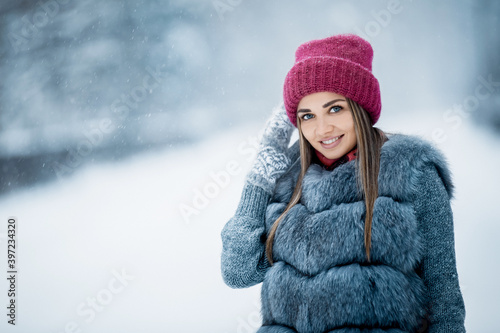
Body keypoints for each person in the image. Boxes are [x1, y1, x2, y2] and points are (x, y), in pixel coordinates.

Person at [220, 34, 466, 332]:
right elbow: (238, 272)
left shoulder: (411, 173)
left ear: (360, 107)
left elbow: (445, 304)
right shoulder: (290, 181)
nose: (322, 129)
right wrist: (260, 177)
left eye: (335, 109)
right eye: (307, 116)